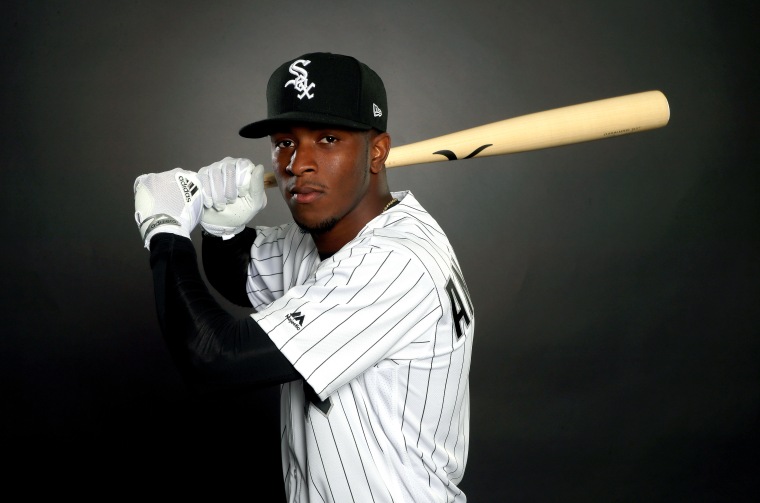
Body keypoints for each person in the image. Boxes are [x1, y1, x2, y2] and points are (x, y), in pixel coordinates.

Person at [133, 52, 475, 502]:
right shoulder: (332, 231)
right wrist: (223, 229)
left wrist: (165, 231)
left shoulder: (394, 264)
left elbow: (214, 359)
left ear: (378, 150)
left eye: (328, 138)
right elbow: (241, 276)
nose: (298, 163)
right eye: (285, 142)